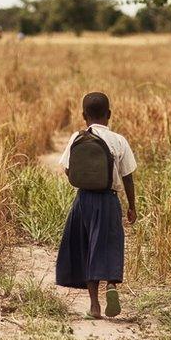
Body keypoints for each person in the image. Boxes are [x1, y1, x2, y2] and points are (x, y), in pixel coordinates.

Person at [55, 92, 137, 319]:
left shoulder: (76, 138)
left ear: (83, 116)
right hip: (109, 200)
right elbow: (128, 176)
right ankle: (111, 285)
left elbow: (68, 169)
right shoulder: (119, 140)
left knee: (86, 247)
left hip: (83, 201)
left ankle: (94, 305)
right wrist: (132, 206)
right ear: (109, 115)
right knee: (110, 244)